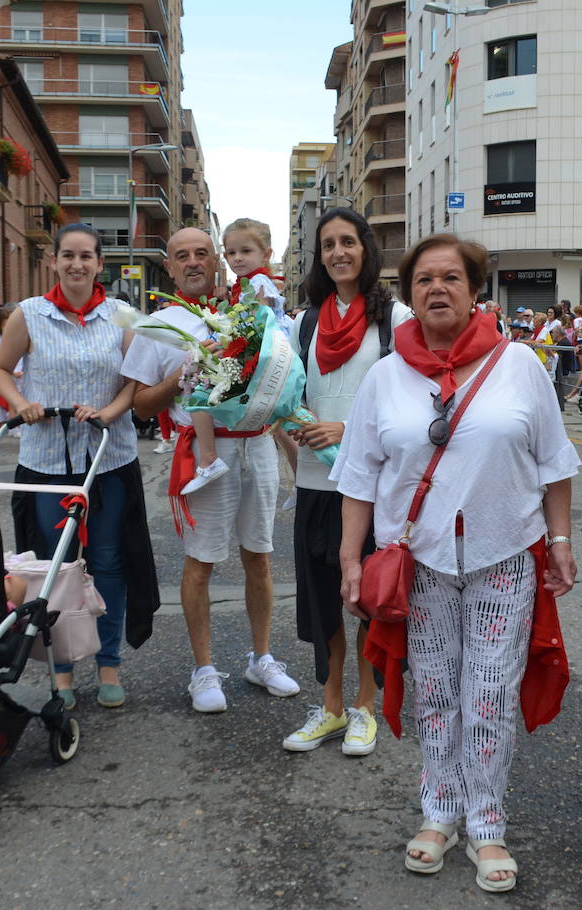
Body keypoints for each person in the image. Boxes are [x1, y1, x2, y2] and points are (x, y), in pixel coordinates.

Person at [333, 233, 578, 893]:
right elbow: (358, 476)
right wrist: (350, 559)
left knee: (490, 693)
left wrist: (560, 541)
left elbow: (554, 464)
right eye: (423, 281)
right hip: (423, 563)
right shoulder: (385, 375)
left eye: (450, 278)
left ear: (475, 292)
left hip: (504, 554)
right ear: (409, 296)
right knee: (436, 692)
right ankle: (438, 813)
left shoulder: (519, 364)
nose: (436, 288)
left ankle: (487, 823)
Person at [123, 227, 299, 713]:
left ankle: (261, 657)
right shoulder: (158, 325)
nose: (195, 262)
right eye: (183, 256)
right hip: (205, 452)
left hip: (256, 445)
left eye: (203, 253)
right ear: (171, 265)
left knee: (259, 557)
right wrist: (179, 377)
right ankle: (203, 671)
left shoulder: (244, 309)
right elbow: (138, 406)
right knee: (200, 562)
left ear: (217, 260)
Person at [0, 223, 161, 710]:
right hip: (46, 458)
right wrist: (21, 403)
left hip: (107, 458)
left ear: (99, 263)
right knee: (53, 567)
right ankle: (60, 670)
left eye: (86, 256)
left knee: (107, 561)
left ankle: (109, 663)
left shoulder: (121, 316)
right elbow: (0, 368)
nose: (77, 265)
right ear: (55, 260)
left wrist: (111, 411)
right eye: (68, 255)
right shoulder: (29, 314)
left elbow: (137, 375)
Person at [280, 208, 410, 756]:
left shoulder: (396, 318)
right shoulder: (303, 322)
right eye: (328, 244)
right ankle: (331, 707)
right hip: (315, 482)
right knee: (322, 599)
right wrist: (296, 432)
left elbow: (411, 400)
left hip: (373, 488)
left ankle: (363, 707)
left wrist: (346, 425)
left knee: (367, 597)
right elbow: (285, 397)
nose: (338, 252)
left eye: (348, 242)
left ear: (366, 250)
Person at [181, 218, 291, 496]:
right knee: (282, 422)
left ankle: (208, 458)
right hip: (257, 348)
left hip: (258, 351)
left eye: (245, 251)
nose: (237, 258)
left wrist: (226, 348)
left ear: (266, 253)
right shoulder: (248, 283)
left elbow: (258, 323)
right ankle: (300, 479)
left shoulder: (257, 283)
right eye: (231, 253)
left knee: (198, 384)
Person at [0, 305, 23, 433]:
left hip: (6, 368)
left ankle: (3, 422)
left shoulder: (4, 333)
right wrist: (10, 370)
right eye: (7, 318)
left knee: (6, 397)